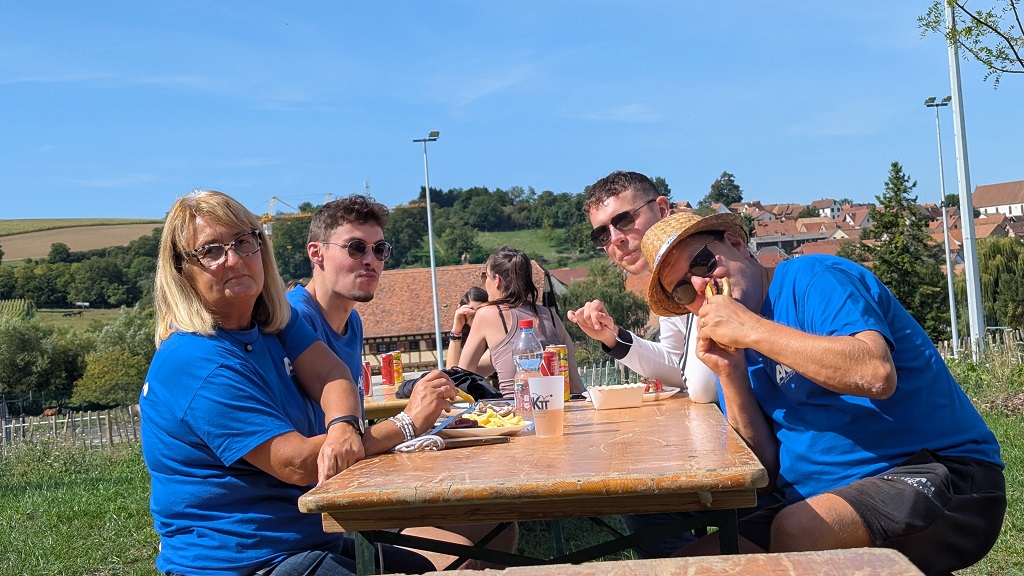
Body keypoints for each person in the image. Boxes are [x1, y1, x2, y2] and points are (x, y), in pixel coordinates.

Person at [641, 211, 1005, 574]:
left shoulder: (815, 278)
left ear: (736, 244)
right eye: (684, 289)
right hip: (813, 501)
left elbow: (875, 373)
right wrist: (731, 373)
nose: (701, 285)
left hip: (938, 473)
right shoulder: (734, 348)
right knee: (687, 568)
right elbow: (763, 469)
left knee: (798, 531)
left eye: (702, 263)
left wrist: (751, 329)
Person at [141, 190, 462, 576]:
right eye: (211, 251)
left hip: (304, 536)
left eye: (244, 241)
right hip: (244, 561)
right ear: (181, 270)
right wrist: (407, 423)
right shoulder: (196, 360)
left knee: (417, 565)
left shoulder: (271, 320)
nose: (235, 259)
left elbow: (332, 374)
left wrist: (344, 426)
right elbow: (298, 465)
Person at [288, 194, 517, 569]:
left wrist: (432, 423)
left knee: (498, 523)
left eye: (379, 250)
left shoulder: (351, 321)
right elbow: (324, 452)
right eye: (356, 247)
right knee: (467, 554)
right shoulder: (294, 322)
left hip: (358, 486)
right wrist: (409, 422)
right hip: (322, 513)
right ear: (317, 253)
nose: (370, 260)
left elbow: (353, 432)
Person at [567, 171, 717, 404]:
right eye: (602, 234)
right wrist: (613, 338)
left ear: (662, 209)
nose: (616, 238)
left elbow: (703, 387)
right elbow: (680, 367)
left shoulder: (711, 262)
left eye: (624, 220)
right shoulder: (664, 281)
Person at [459, 246, 585, 397]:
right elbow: (576, 385)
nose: (484, 283)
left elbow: (463, 376)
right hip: (556, 410)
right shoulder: (551, 317)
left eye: (485, 276)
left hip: (516, 414)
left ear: (497, 280)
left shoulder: (487, 314)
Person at [446, 286, 493, 373]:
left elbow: (471, 374)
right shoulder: (467, 340)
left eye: (482, 314)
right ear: (466, 321)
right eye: (472, 317)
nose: (479, 320)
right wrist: (456, 330)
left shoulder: (498, 338)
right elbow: (451, 373)